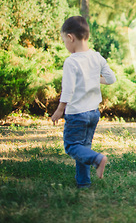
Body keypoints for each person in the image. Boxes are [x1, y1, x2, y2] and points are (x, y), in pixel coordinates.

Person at [51, 16, 116, 188]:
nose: (65, 44)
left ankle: (97, 159)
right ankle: (83, 183)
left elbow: (68, 89)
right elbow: (111, 78)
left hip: (77, 114)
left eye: (64, 40)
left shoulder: (71, 61)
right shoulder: (96, 57)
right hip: (93, 113)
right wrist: (93, 79)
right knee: (84, 148)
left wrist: (59, 110)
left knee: (72, 146)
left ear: (70, 37)